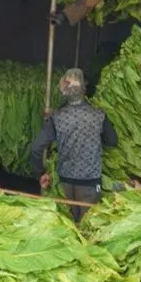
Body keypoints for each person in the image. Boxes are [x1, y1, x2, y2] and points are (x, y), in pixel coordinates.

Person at [29, 68, 118, 222]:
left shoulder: (56, 117)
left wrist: (40, 173)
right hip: (90, 186)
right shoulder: (99, 115)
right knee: (87, 228)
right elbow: (112, 141)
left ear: (64, 91)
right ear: (84, 88)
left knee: (67, 231)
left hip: (64, 185)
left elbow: (36, 148)